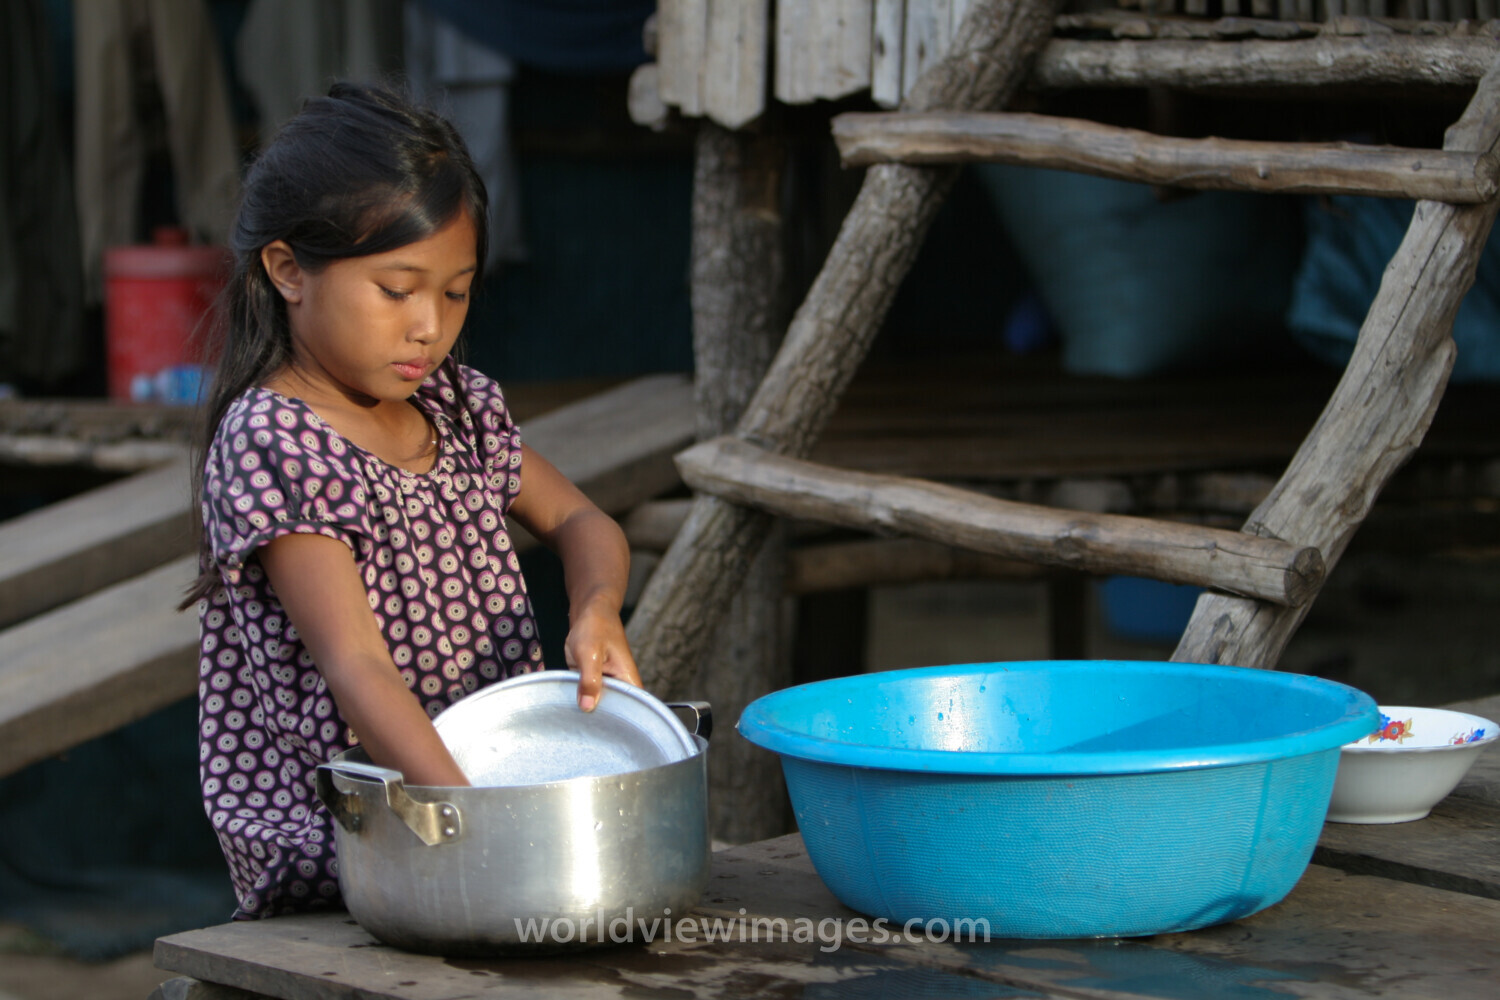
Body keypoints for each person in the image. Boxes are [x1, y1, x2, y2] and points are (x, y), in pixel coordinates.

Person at [184, 82, 641, 918]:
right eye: (397, 291)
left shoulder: (455, 406)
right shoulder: (277, 441)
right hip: (356, 835)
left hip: (484, 806)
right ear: (288, 271)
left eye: (456, 291)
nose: (429, 325)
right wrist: (480, 824)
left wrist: (597, 608)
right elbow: (356, 667)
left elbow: (584, 521)